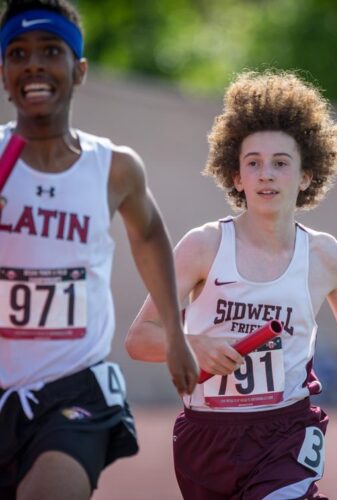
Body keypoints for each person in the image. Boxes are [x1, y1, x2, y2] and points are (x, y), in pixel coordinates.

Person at [126, 69, 337, 499]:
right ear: (235, 176)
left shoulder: (327, 257)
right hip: (207, 436)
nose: (266, 174)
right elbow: (139, 339)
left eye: (281, 163)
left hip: (287, 430)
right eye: (253, 163)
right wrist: (193, 345)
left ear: (306, 176)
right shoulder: (203, 246)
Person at [0, 1, 199, 498]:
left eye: (51, 50)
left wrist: (175, 333)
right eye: (18, 53)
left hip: (74, 388)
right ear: (4, 73)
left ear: (79, 69)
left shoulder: (114, 169)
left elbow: (148, 234)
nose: (34, 65)